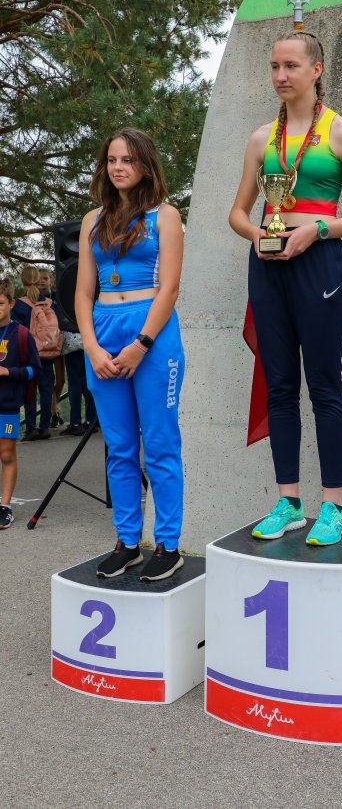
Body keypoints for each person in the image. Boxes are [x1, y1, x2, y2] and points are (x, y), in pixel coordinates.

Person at [229, 31, 342, 546]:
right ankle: (289, 501)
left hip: (318, 264)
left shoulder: (340, 132)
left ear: (316, 70)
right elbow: (238, 213)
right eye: (275, 66)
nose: (280, 75)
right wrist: (259, 236)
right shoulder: (261, 139)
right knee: (279, 385)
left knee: (323, 384)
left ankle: (332, 506)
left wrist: (316, 230)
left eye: (291, 65)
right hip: (268, 266)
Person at [75, 128, 185, 581]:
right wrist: (92, 346)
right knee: (119, 447)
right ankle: (127, 542)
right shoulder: (92, 219)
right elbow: (83, 293)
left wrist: (140, 345)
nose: (118, 167)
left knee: (159, 443)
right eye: (112, 160)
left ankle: (169, 545)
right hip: (102, 329)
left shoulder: (166, 216)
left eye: (127, 159)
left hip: (151, 333)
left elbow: (170, 289)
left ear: (145, 164)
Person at [0, 278, 41, 529]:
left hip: (7, 404)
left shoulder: (22, 334)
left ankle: (5, 506)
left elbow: (35, 370)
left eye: (0, 303)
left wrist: (8, 372)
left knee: (6, 454)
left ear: (11, 303)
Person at [12, 266, 58, 440]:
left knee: (30, 391)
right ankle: (44, 427)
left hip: (28, 353)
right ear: (38, 279)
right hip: (48, 350)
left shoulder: (18, 305)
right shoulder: (50, 303)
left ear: (23, 280)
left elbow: (17, 331)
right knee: (46, 389)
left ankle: (30, 428)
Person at [39, 268, 66, 429]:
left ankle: (53, 409)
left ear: (51, 280)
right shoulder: (35, 298)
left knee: (61, 380)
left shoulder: (57, 297)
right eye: (39, 278)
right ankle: (53, 412)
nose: (42, 281)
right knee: (48, 381)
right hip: (43, 345)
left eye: (45, 278)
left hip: (58, 342)